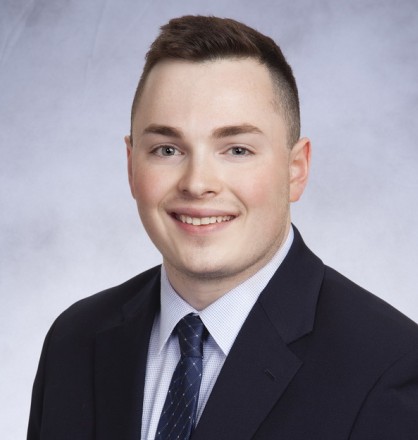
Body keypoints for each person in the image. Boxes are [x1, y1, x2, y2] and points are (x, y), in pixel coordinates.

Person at [27, 15, 418, 440]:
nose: (197, 183)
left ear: (296, 170)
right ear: (131, 165)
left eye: (236, 149)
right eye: (167, 149)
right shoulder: (74, 341)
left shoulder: (390, 368)